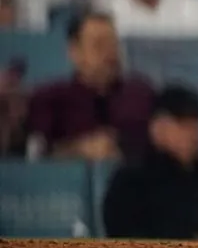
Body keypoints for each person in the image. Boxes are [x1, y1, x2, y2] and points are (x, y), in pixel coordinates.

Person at [26, 10, 156, 161]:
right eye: (99, 45)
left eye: (113, 44)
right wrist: (77, 150)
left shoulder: (141, 94)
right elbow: (36, 156)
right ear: (75, 52)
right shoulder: (50, 99)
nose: (110, 53)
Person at [103, 84, 198, 239]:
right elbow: (122, 232)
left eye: (195, 124)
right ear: (157, 127)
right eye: (183, 125)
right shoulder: (132, 179)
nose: (193, 133)